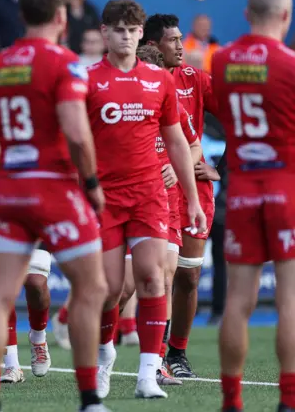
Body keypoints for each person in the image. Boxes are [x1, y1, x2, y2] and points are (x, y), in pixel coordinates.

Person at [0, 0, 108, 411]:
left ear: (21, 16)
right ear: (61, 17)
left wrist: (11, 170)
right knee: (91, 288)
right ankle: (89, 398)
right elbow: (75, 132)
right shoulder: (64, 62)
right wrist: (90, 184)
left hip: (11, 191)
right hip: (56, 189)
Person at [85, 0, 206, 400]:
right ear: (105, 33)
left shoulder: (158, 80)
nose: (126, 36)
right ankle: (104, 358)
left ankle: (147, 374)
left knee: (155, 279)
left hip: (150, 195)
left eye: (132, 30)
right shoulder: (85, 80)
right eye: (118, 29)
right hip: (104, 199)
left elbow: (178, 141)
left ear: (141, 35)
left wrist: (191, 198)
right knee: (111, 289)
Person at [210, 0, 295, 410]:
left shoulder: (222, 60)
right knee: (290, 299)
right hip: (286, 187)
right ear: (286, 16)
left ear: (246, 14)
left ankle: (232, 401)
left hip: (241, 189)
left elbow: (225, 117)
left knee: (237, 303)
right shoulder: (291, 64)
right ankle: (289, 400)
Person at [141, 13, 220, 379]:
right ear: (154, 45)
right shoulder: (140, 80)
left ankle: (176, 354)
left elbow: (236, 119)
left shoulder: (194, 79)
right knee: (146, 278)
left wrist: (222, 166)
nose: (181, 46)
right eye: (173, 40)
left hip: (191, 192)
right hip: (148, 191)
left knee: (187, 277)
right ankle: (142, 354)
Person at [134, 44, 203, 387]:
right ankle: (103, 348)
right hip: (127, 201)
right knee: (119, 289)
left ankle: (156, 362)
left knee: (166, 276)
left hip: (166, 205)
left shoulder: (169, 100)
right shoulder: (120, 104)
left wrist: (180, 170)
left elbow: (193, 145)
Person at [0, 166, 53, 383]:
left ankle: (38, 337)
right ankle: (12, 366)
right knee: (2, 289)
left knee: (36, 283)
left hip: (37, 203)